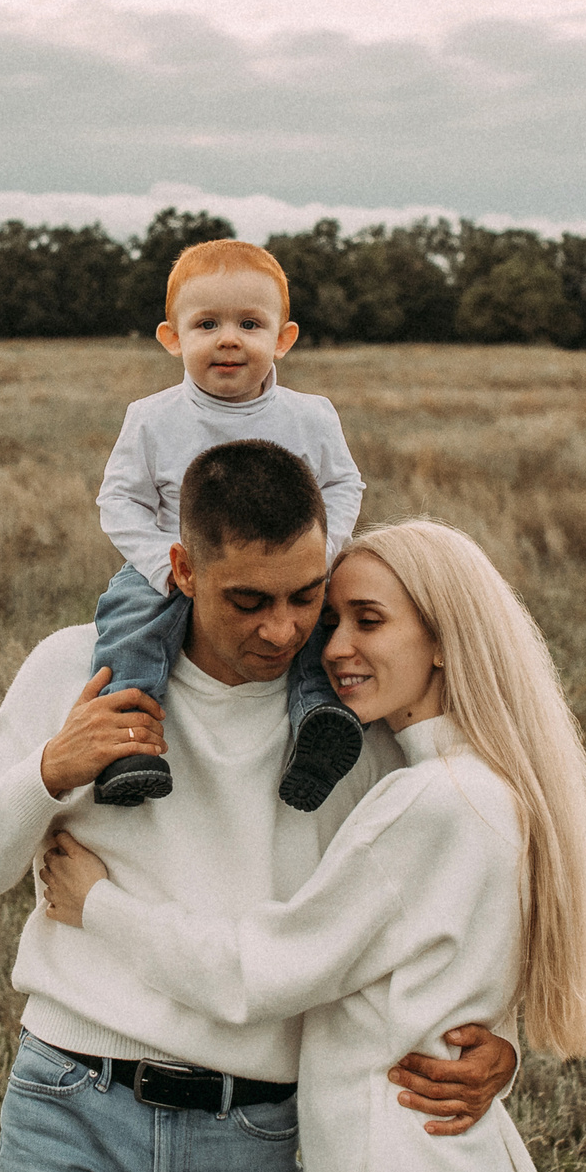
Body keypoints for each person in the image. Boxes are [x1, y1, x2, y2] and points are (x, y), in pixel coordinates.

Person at [0, 444, 519, 1172]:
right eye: (249, 601)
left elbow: (447, 895)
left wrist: (498, 1044)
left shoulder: (350, 722)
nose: (284, 630)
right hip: (70, 1103)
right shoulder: (81, 667)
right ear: (183, 569)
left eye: (306, 596)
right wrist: (49, 770)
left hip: (248, 1132)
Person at [38, 518, 586, 1172]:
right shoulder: (477, 784)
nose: (335, 648)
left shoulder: (430, 802)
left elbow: (259, 971)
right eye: (334, 620)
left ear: (444, 639)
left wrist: (98, 905)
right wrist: (500, 1049)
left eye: (369, 621)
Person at [89, 239, 366, 811]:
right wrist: (160, 562)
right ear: (173, 337)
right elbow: (119, 500)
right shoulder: (152, 418)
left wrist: (323, 553)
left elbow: (344, 485)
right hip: (176, 560)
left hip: (288, 567)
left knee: (312, 617)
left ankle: (319, 720)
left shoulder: (309, 415)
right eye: (207, 324)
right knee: (128, 618)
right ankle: (129, 737)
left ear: (283, 338)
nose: (229, 339)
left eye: (250, 323)